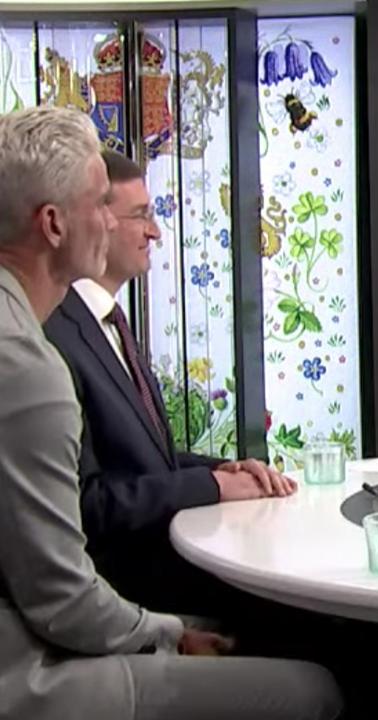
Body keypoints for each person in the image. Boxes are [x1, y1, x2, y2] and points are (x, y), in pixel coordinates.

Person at [0, 105, 341, 720]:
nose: (117, 222)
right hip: (31, 671)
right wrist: (170, 634)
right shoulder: (29, 365)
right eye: (101, 202)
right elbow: (62, 601)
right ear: (54, 223)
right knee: (317, 690)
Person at [44, 150, 295, 617]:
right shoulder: (55, 335)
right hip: (133, 592)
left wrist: (227, 470)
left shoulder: (108, 322)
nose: (155, 232)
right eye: (140, 215)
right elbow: (87, 502)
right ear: (93, 220)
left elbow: (145, 462)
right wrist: (209, 486)